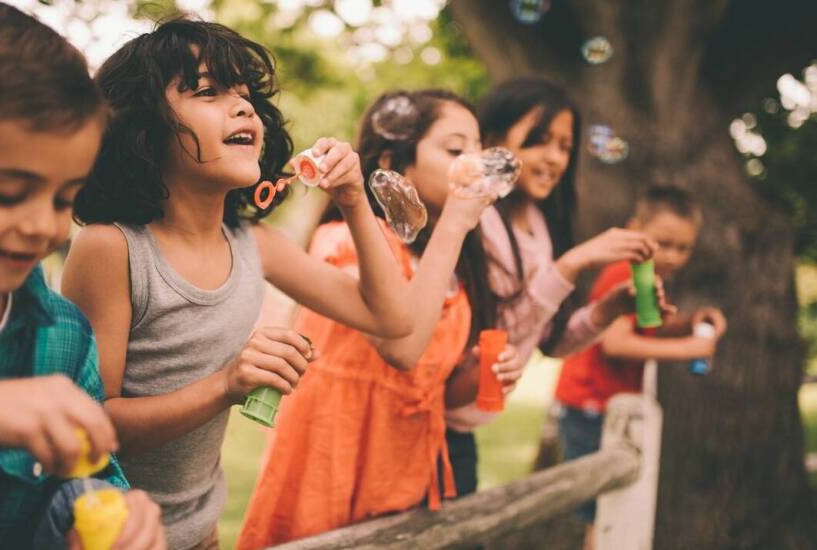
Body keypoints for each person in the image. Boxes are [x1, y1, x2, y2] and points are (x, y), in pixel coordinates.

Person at [61, 18, 413, 550]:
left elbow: (391, 317)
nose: (244, 107)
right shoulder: (113, 248)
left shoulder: (254, 243)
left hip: (201, 534)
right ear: (142, 128)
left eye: (247, 96)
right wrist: (226, 386)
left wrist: (353, 199)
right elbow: (91, 425)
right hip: (108, 535)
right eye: (207, 91)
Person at [0, 1, 163, 548]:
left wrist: (115, 516)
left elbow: (88, 474)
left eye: (65, 198)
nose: (44, 226)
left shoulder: (64, 334)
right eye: (7, 194)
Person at [238, 89, 522, 549]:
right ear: (394, 161)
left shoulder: (446, 266)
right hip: (334, 462)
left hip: (406, 473)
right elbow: (401, 349)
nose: (474, 164)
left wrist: (479, 375)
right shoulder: (345, 243)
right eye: (455, 149)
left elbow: (432, 385)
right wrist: (453, 224)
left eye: (477, 149)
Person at [444, 78, 659, 496]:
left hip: (463, 431)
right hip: (432, 420)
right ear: (491, 141)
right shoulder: (475, 222)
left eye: (564, 146)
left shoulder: (543, 227)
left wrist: (607, 309)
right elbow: (498, 333)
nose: (554, 158)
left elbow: (550, 340)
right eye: (538, 140)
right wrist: (569, 266)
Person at [555, 184, 726, 550]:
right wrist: (689, 348)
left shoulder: (649, 275)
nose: (675, 256)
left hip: (609, 406)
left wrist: (690, 322)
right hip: (590, 405)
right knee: (602, 515)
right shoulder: (624, 273)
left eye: (684, 248)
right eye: (664, 243)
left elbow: (645, 326)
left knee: (614, 509)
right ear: (635, 229)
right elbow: (617, 344)